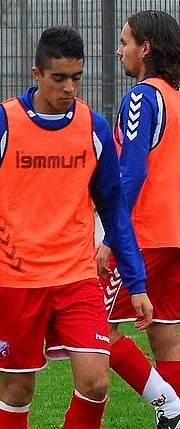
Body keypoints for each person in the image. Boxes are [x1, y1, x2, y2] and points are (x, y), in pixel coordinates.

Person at [0, 26, 153, 429]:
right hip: (15, 278)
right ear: (37, 73)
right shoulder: (3, 122)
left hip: (75, 276)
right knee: (17, 392)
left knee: (96, 382)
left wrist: (136, 283)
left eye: (76, 78)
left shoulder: (93, 126)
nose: (69, 87)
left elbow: (114, 209)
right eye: (59, 78)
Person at [96, 10, 180, 428]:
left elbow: (132, 171)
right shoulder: (178, 97)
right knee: (166, 330)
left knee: (92, 326)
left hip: (145, 235)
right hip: (177, 237)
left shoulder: (142, 97)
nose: (119, 50)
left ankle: (171, 404)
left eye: (125, 42)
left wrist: (113, 235)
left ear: (145, 48)